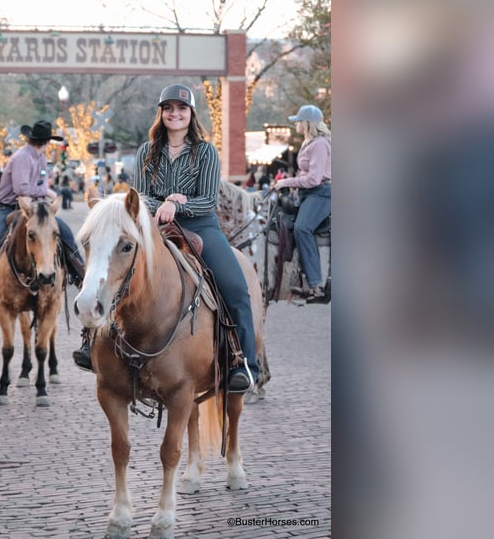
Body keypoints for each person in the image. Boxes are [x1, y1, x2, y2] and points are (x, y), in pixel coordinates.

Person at [72, 84, 260, 393]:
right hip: (153, 225)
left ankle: (244, 364)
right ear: (161, 114)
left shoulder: (206, 151)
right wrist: (162, 206)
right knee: (111, 264)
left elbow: (208, 200)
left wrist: (179, 203)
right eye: (169, 108)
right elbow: (140, 195)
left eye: (182, 109)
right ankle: (90, 341)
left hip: (200, 226)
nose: (175, 114)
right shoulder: (147, 151)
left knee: (236, 288)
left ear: (191, 114)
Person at [0, 120, 85, 311]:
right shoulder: (22, 157)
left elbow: (41, 186)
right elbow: (21, 189)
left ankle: (79, 274)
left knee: (64, 231)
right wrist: (44, 195)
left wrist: (53, 195)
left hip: (35, 206)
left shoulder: (41, 158)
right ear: (45, 141)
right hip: (9, 207)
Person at [273, 104, 331, 303]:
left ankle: (317, 284)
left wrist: (286, 182)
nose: (295, 123)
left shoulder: (320, 144)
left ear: (306, 123)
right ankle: (297, 276)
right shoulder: (308, 143)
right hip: (308, 193)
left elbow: (314, 179)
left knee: (302, 228)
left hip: (321, 193)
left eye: (297, 120)